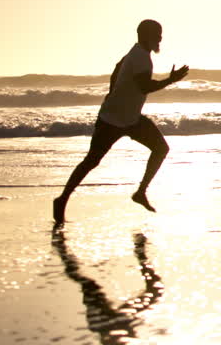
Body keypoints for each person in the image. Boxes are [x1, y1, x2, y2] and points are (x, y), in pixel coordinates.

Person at [53, 19, 189, 225]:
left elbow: (118, 68)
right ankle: (62, 200)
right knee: (92, 161)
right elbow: (144, 87)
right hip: (111, 120)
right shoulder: (140, 57)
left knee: (161, 148)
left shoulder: (136, 53)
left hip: (131, 119)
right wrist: (171, 80)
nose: (161, 38)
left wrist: (112, 93)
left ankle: (140, 192)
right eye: (157, 34)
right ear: (146, 35)